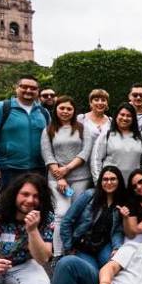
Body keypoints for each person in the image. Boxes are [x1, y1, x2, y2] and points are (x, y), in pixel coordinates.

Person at [41, 96, 92, 255]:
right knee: (61, 214)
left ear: (74, 111)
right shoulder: (48, 129)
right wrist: (60, 177)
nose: (65, 111)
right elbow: (47, 155)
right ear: (56, 109)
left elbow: (86, 152)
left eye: (69, 109)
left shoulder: (83, 128)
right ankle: (58, 253)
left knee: (78, 215)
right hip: (57, 179)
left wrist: (67, 169)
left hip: (80, 178)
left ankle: (74, 249)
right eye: (62, 108)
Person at [0, 75, 50, 190]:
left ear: (38, 91)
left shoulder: (43, 112)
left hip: (39, 168)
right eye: (24, 87)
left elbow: (50, 139)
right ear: (16, 88)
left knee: (35, 204)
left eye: (33, 88)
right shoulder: (2, 107)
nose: (28, 90)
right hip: (10, 169)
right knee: (9, 205)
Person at [90, 103, 142, 183]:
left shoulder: (140, 136)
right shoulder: (106, 135)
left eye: (129, 116)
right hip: (111, 185)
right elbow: (96, 161)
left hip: (133, 185)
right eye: (122, 114)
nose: (125, 118)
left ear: (133, 118)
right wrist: (99, 182)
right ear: (116, 116)